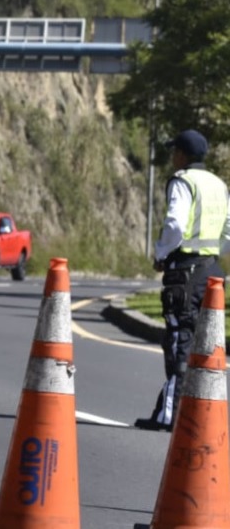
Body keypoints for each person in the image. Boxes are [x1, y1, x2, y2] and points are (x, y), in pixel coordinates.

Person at [134, 129, 230, 431]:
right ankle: (194, 412)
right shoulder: (218, 184)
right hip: (212, 271)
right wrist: (215, 256)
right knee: (204, 342)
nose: (172, 156)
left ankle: (170, 415)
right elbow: (228, 231)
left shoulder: (183, 182)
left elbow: (175, 223)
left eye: (175, 151)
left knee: (179, 341)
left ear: (184, 155)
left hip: (185, 270)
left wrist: (161, 252)